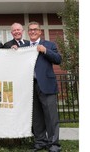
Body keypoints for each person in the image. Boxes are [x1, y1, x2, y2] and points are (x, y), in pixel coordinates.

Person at [27, 21, 62, 152]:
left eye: (35, 29)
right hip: (30, 87)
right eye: (30, 30)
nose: (33, 31)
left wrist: (45, 50)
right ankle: (40, 142)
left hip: (46, 85)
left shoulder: (49, 44)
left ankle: (53, 144)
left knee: (51, 116)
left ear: (40, 31)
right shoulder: (25, 46)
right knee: (36, 117)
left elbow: (58, 59)